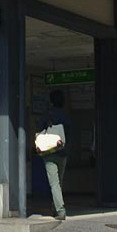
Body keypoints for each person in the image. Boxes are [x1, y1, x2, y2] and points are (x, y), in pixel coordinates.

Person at [41, 89, 71, 220]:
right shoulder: (65, 116)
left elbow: (40, 128)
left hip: (49, 152)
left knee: (54, 183)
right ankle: (55, 206)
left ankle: (60, 211)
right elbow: (69, 134)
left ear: (51, 101)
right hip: (63, 153)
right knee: (59, 182)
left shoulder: (47, 115)